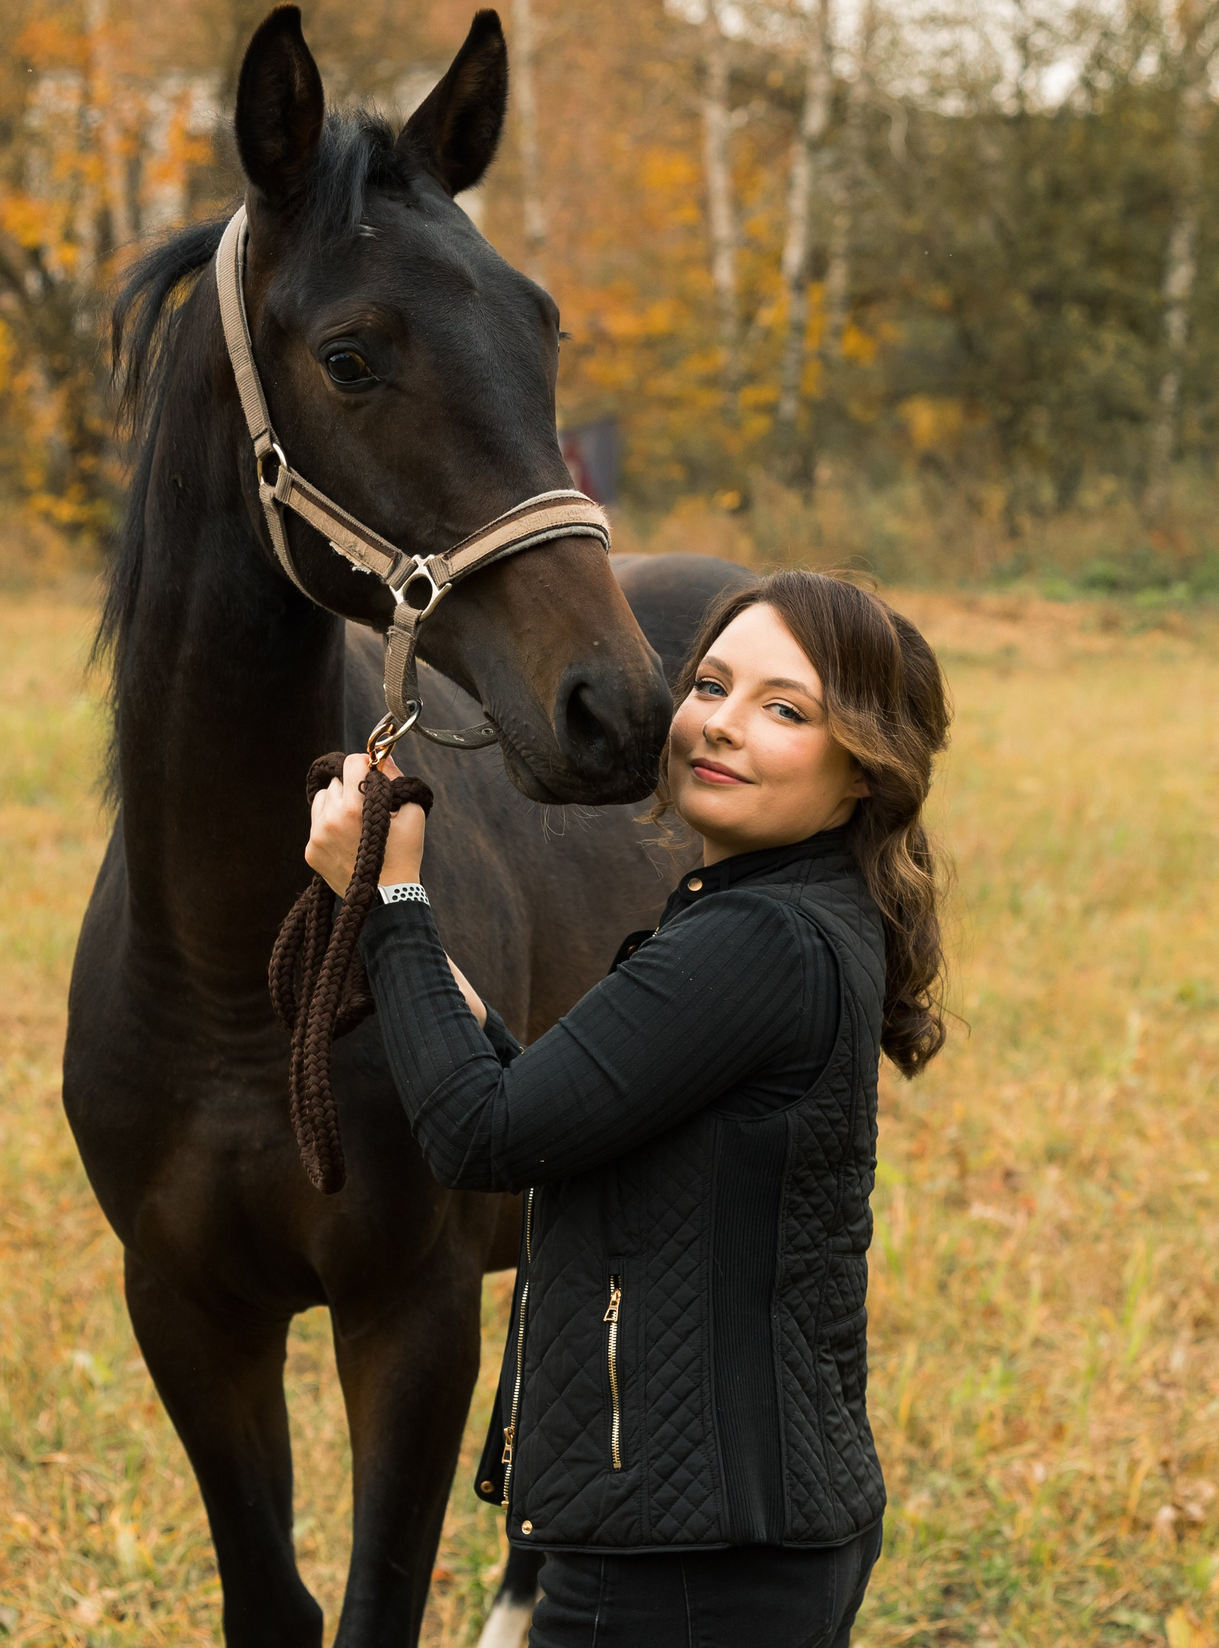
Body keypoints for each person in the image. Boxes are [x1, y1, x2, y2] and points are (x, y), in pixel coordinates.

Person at [304, 570, 954, 1647]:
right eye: (711, 685)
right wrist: (406, 937)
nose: (723, 724)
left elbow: (482, 1132)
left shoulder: (752, 943)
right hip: (733, 1538)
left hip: (686, 1570)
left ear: (862, 772)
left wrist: (393, 901)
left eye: (785, 709)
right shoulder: (780, 916)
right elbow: (556, 1107)